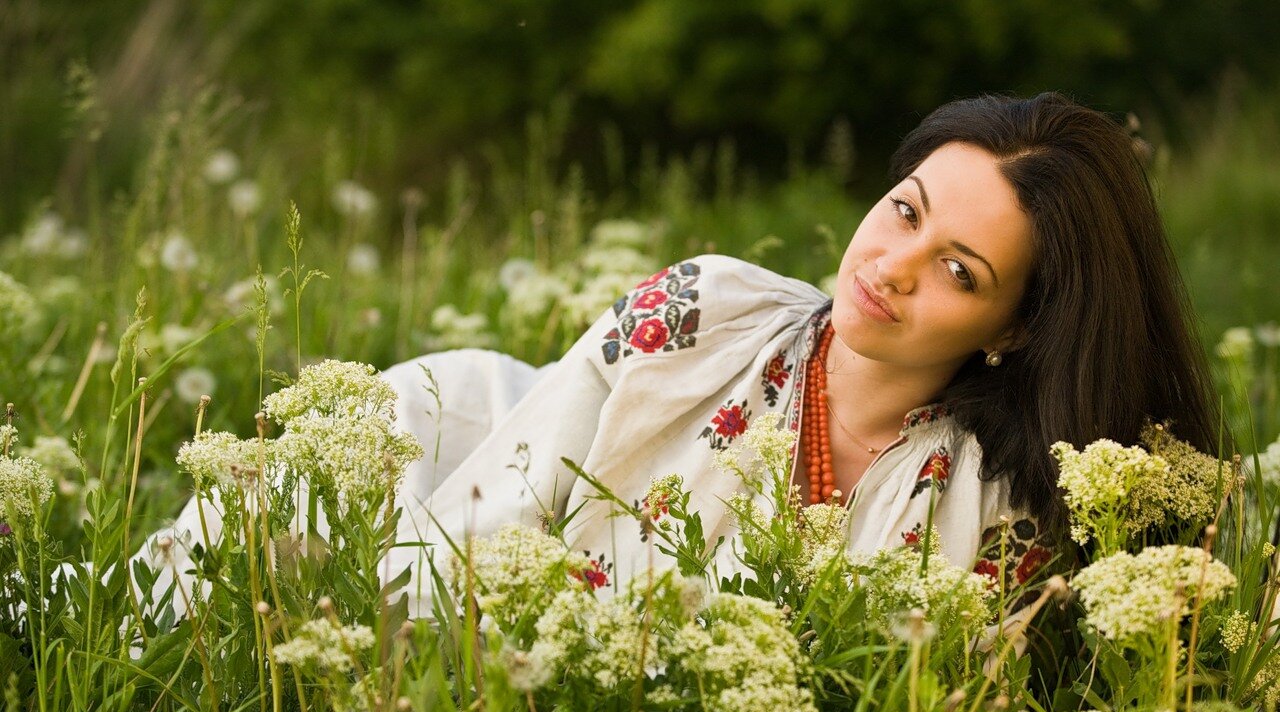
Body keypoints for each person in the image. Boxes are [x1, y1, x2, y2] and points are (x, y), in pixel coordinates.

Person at [141, 92, 1221, 620]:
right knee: (190, 592)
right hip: (454, 453)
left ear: (1013, 328)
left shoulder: (992, 512)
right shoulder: (703, 310)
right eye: (901, 210)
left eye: (958, 270)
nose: (888, 266)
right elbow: (505, 519)